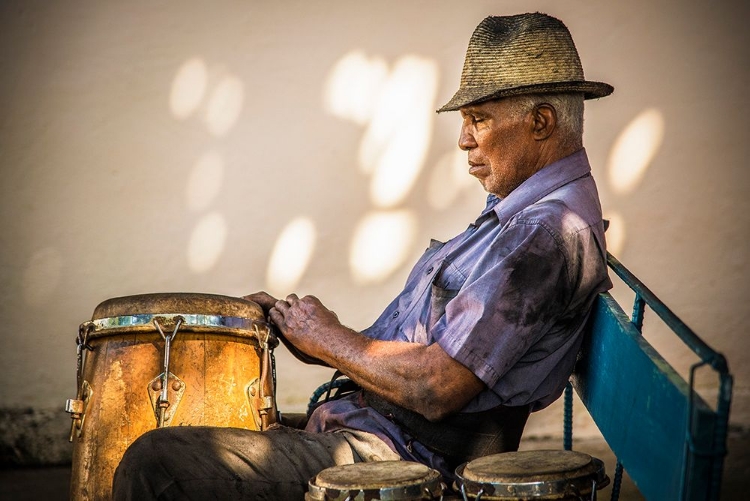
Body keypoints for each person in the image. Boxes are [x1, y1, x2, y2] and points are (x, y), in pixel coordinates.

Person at [113, 12, 613, 500]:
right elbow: (426, 357)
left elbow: (436, 386)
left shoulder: (543, 234)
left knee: (155, 463)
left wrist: (329, 338)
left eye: (477, 120)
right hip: (369, 427)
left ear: (541, 122)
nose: (464, 140)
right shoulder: (519, 219)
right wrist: (309, 338)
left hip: (395, 456)